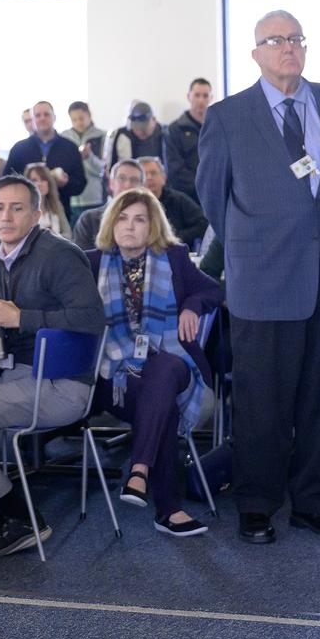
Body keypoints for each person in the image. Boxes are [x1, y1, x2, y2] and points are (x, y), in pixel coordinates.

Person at [196, 9, 320, 545]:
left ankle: (312, 503)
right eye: (275, 40)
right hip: (263, 281)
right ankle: (257, 505)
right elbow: (213, 199)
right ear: (255, 54)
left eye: (295, 38)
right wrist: (255, 245)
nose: (288, 47)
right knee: (262, 403)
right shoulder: (227, 117)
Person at [0, 175, 105, 557]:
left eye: (17, 208)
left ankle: (21, 517)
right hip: (14, 376)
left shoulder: (60, 254)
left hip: (59, 385)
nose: (5, 216)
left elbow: (92, 319)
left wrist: (19, 317)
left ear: (36, 215)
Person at [83, 187, 224, 538]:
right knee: (162, 401)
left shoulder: (173, 258)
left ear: (153, 226)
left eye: (140, 220)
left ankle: (139, 471)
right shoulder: (91, 263)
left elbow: (213, 290)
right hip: (116, 373)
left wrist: (191, 306)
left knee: (166, 368)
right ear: (111, 224)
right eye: (122, 218)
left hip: (170, 364)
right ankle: (169, 509)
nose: (130, 226)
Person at [5, 101, 86, 215]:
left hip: (60, 213)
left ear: (54, 117)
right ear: (33, 120)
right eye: (38, 115)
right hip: (25, 213)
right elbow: (7, 180)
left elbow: (80, 183)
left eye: (46, 114)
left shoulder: (70, 147)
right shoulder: (19, 149)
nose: (42, 118)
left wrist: (65, 183)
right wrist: (30, 183)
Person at [140, 156, 208, 248]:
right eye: (144, 174)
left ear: (164, 178)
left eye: (153, 173)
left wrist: (174, 238)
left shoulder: (179, 200)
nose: (149, 178)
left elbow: (202, 224)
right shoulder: (133, 204)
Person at [75, 160, 144, 248]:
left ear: (142, 187)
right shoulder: (89, 220)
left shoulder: (150, 219)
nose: (127, 185)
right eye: (122, 178)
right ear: (111, 183)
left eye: (134, 180)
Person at [163, 79, 211, 201]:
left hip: (214, 195)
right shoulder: (175, 130)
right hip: (186, 197)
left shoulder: (217, 128)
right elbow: (174, 169)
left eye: (205, 96)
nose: (201, 100)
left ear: (211, 98)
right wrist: (202, 187)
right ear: (189, 97)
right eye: (197, 95)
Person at [60, 101, 106, 210]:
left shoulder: (102, 136)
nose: (78, 123)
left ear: (89, 115)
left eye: (81, 118)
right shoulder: (64, 137)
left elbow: (104, 170)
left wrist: (88, 157)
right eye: (74, 120)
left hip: (95, 198)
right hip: (72, 199)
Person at [23, 162, 72, 241]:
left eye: (43, 179)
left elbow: (68, 234)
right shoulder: (22, 209)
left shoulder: (56, 205)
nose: (39, 184)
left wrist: (54, 239)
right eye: (34, 180)